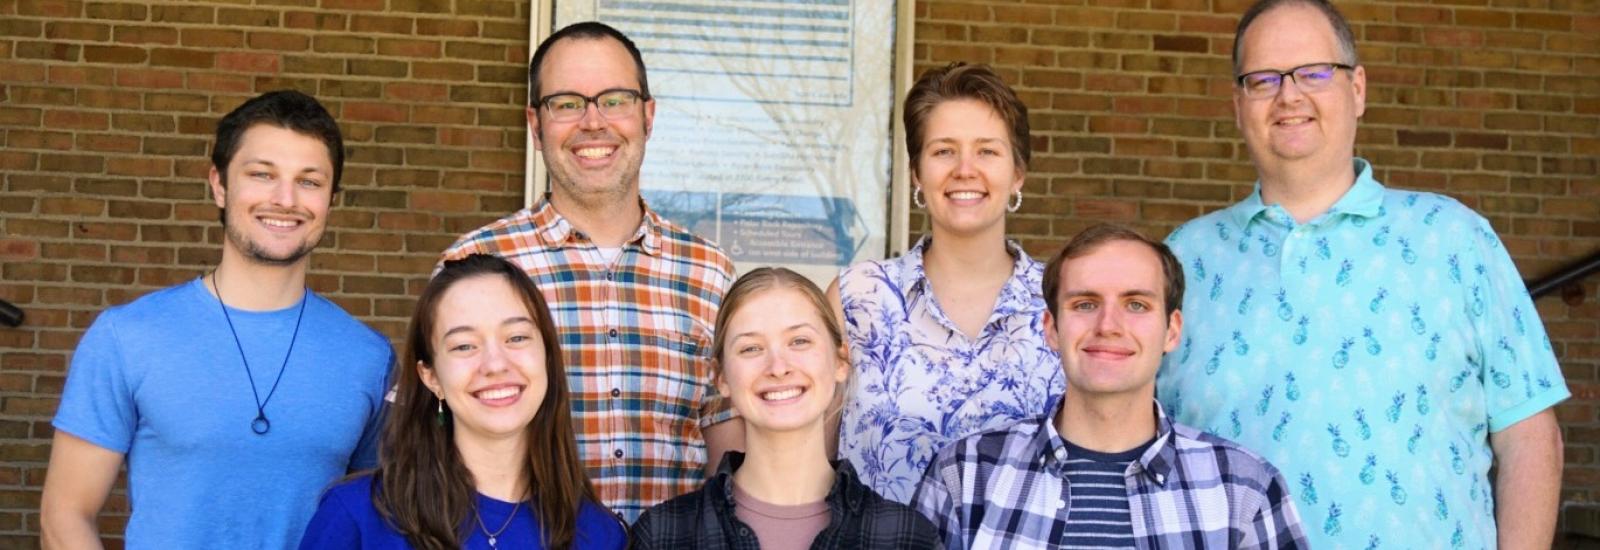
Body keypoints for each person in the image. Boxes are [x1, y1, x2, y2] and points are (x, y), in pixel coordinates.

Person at [1156, 1, 1569, 547]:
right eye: (1263, 79)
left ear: (1358, 90)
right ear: (1238, 105)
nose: (1290, 95)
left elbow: (1530, 437)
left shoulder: (1454, 238)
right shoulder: (1184, 258)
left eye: (1315, 72)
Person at [40, 90, 394, 548]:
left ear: (331, 199)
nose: (285, 199)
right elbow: (65, 516)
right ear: (219, 184)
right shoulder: (127, 336)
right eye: (262, 174)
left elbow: (376, 522)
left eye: (309, 181)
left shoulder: (368, 357)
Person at [439, 21, 739, 522]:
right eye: (567, 103)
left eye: (615, 100)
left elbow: (728, 452)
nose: (593, 122)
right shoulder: (473, 266)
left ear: (648, 115)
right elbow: (429, 438)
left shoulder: (709, 272)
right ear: (535, 125)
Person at [914, 224, 1308, 549]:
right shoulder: (965, 476)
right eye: (1085, 304)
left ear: (1171, 331)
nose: (1108, 325)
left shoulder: (1243, 490)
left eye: (1136, 305)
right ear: (1052, 329)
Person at [830, 62, 1063, 504]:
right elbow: (811, 465)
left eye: (987, 151)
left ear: (1018, 173)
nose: (965, 169)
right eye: (943, 151)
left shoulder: (1065, 302)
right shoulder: (858, 297)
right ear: (917, 172)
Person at [299, 254, 624, 549]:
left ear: (548, 358)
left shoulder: (599, 534)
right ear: (432, 377)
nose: (495, 364)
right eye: (464, 346)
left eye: (517, 338)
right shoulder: (356, 517)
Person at [630, 268, 940, 549]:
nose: (778, 367)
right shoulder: (662, 535)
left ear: (841, 361)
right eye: (751, 348)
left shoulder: (906, 538)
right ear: (721, 377)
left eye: (800, 341)